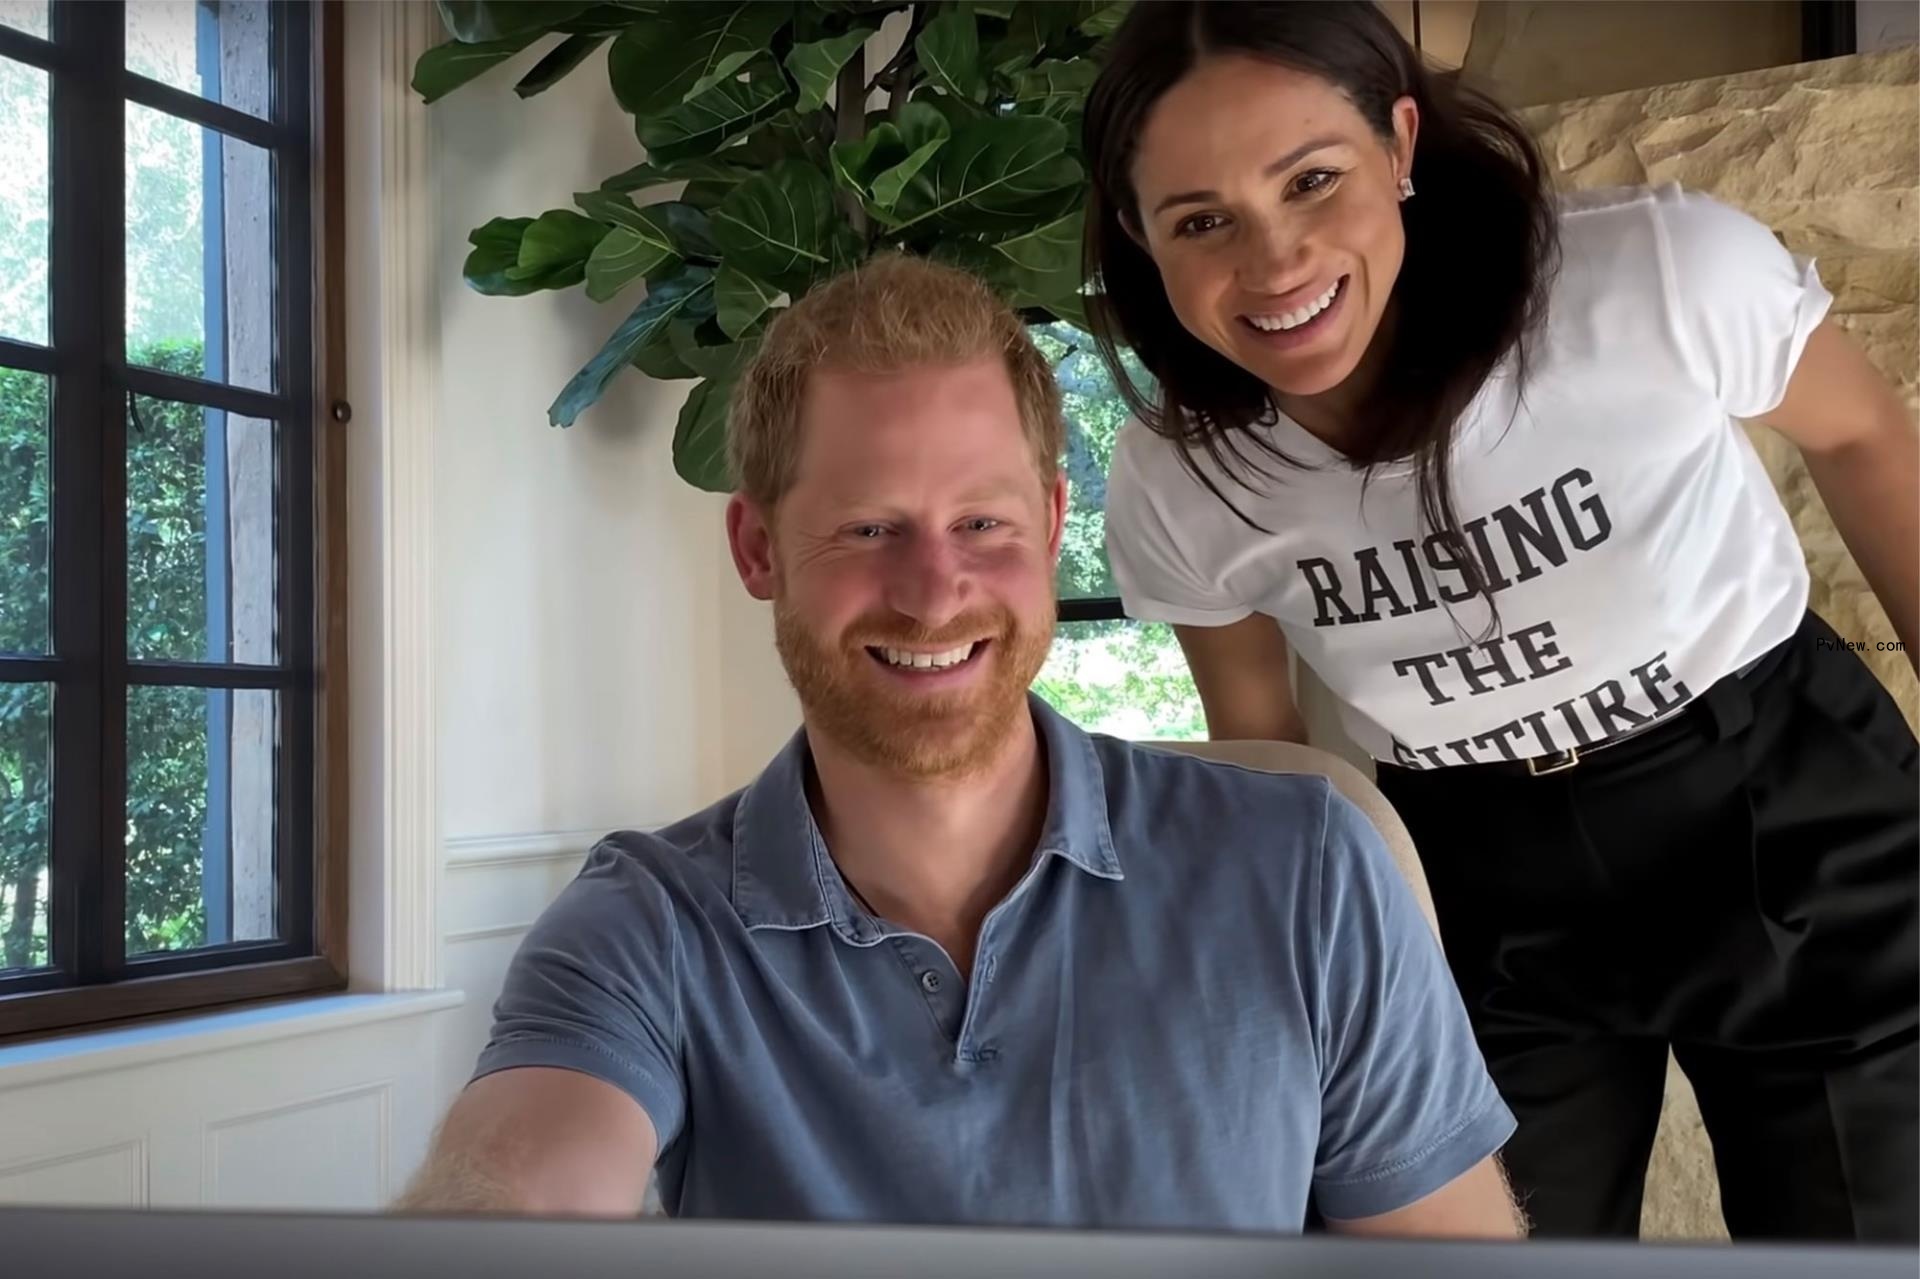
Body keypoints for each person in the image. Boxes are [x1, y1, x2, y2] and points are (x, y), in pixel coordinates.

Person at [396, 254, 1524, 1236]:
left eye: (981, 524)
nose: (934, 595)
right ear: (757, 549)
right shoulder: (647, 924)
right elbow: (516, 1186)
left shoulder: (1310, 869)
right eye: (869, 528)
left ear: (1047, 525)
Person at [1081, 0, 1918, 1244]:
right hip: (1474, 880)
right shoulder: (1178, 476)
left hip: (1776, 803)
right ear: (1142, 242)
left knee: (1864, 1246)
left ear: (1401, 144)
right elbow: (1264, 743)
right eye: (1201, 221)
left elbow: (1863, 434)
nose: (1274, 265)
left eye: (1313, 179)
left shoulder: (1650, 273)